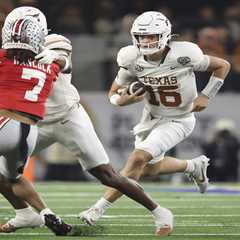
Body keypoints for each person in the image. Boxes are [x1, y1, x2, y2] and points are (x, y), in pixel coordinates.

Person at [0, 7, 176, 237]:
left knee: (107, 175)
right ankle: (25, 214)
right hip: (35, 123)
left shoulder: (55, 43)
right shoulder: (9, 52)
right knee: (4, 176)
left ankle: (159, 211)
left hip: (68, 117)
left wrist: (56, 58)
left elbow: (65, 62)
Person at [79, 11, 231, 225]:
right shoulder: (130, 57)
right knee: (150, 169)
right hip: (150, 118)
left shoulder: (185, 53)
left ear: (165, 35)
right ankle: (192, 166)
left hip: (180, 119)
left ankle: (97, 209)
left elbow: (223, 65)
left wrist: (206, 95)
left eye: (151, 36)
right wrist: (122, 100)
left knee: (136, 160)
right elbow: (114, 93)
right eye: (141, 36)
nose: (145, 40)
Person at [0, 16, 73, 235]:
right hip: (28, 133)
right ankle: (42, 214)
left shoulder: (3, 58)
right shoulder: (50, 65)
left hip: (5, 122)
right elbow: (65, 65)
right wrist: (59, 59)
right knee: (12, 178)